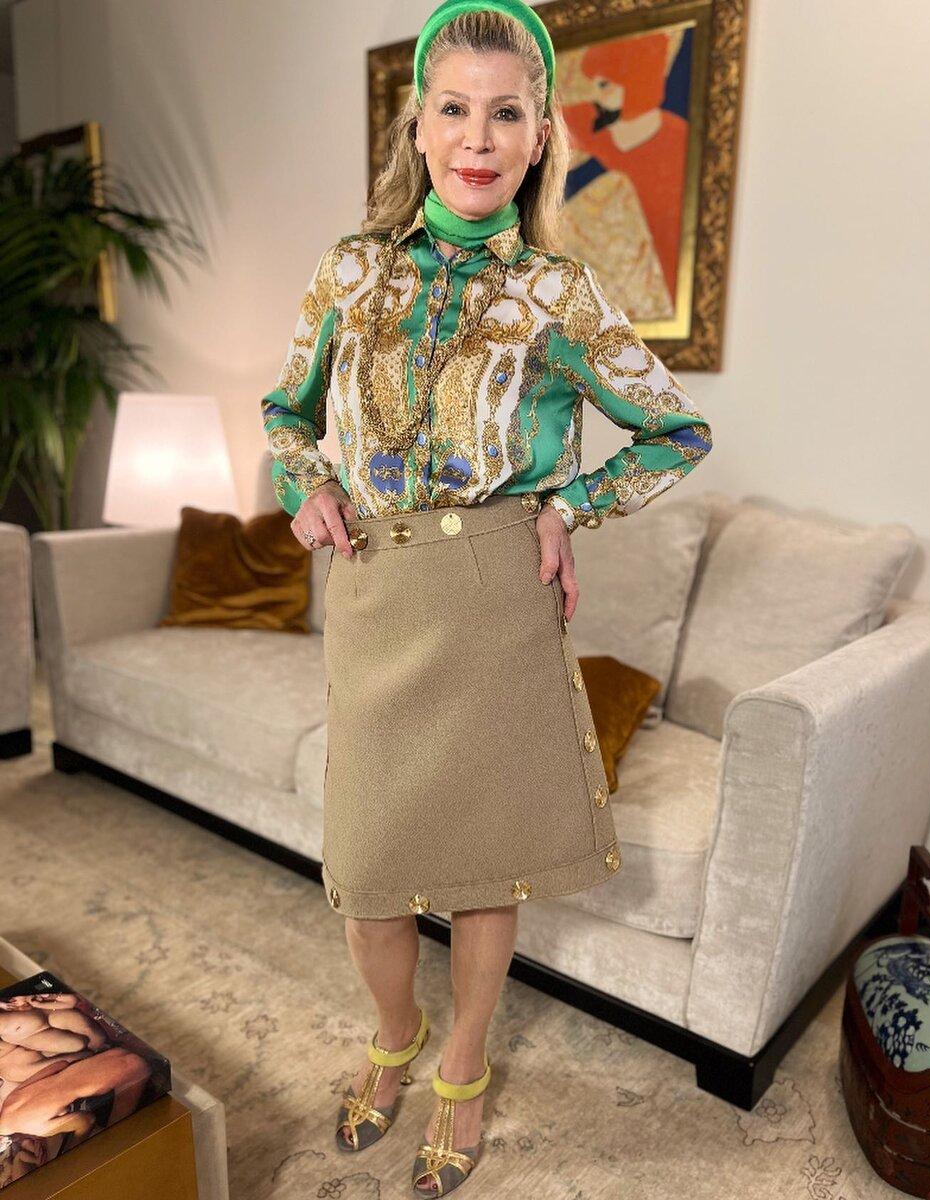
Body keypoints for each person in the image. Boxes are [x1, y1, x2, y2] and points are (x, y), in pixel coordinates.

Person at [260, 1, 714, 1193]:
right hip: (377, 592)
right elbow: (285, 413)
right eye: (453, 109)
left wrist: (570, 506)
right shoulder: (350, 270)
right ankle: (395, 1033)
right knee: (367, 871)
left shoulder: (560, 293)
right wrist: (306, 481)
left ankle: (460, 1064)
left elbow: (677, 431)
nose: (476, 137)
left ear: (538, 135)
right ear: (417, 125)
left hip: (498, 595)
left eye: (504, 113)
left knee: (483, 864)